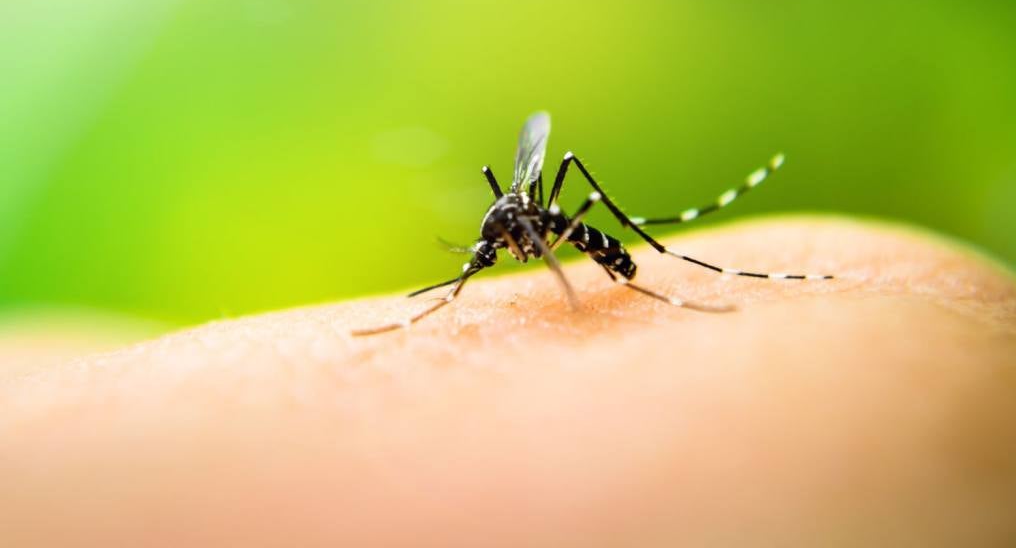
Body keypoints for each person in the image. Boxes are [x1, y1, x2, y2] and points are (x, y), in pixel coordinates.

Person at [2, 216, 1014, 547]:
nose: (489, 259)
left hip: (611, 252)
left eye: (486, 253)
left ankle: (654, 270)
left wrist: (590, 282)